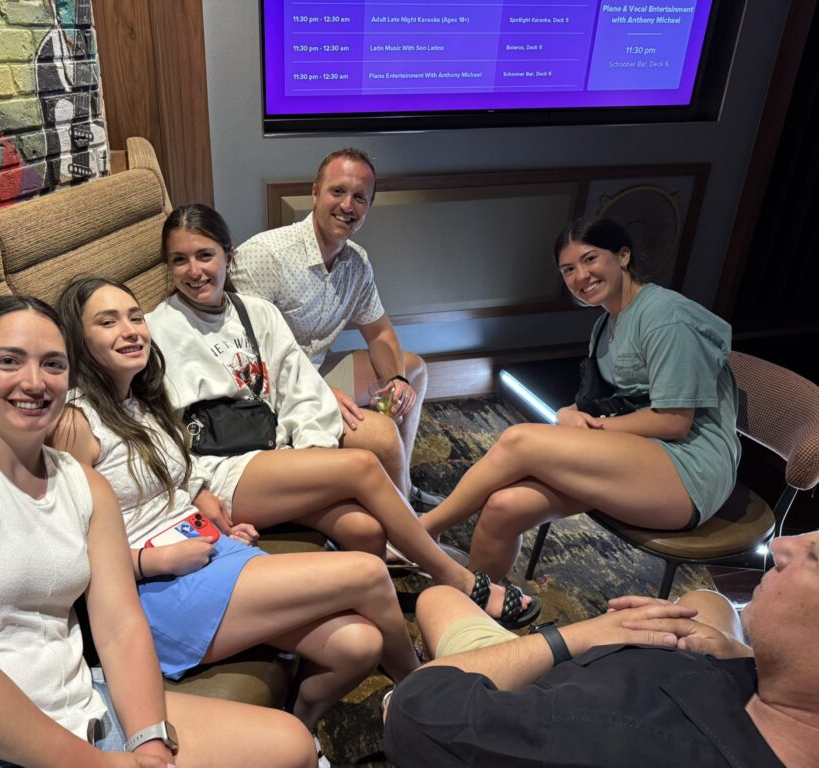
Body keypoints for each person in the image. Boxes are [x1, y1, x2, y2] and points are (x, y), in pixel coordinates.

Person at [0, 295, 314, 768]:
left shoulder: (84, 485)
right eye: (9, 361)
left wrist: (149, 742)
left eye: (52, 364)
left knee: (289, 745)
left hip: (72, 710)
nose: (34, 382)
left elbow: (120, 627)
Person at [52, 276, 423, 738]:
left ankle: (302, 732)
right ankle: (426, 692)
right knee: (368, 574)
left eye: (135, 317)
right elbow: (60, 550)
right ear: (78, 340)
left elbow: (174, 482)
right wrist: (152, 562)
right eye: (107, 322)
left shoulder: (143, 400)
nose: (130, 331)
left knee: (359, 645)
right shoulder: (74, 422)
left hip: (204, 548)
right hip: (156, 590)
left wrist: (208, 515)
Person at [146, 203, 540, 630]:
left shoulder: (255, 313)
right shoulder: (157, 330)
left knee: (367, 530)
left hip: (275, 457)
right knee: (363, 465)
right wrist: (197, 489)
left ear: (228, 255)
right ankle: (456, 580)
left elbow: (303, 389)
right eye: (179, 260)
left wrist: (310, 459)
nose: (194, 271)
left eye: (205, 255)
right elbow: (155, 429)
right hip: (223, 470)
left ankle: (378, 625)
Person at [420, 216, 741, 579]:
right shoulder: (607, 322)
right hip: (638, 452)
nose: (580, 277)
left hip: (688, 470)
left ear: (622, 256)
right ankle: (480, 612)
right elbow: (610, 399)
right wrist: (567, 413)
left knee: (519, 440)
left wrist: (593, 429)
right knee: (503, 506)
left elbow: (673, 421)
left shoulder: (666, 318)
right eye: (568, 269)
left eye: (590, 259)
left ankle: (423, 531)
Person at [384, 533, 819, 767]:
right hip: (652, 670)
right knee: (710, 601)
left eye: (815, 557)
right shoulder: (775, 695)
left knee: (437, 600)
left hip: (539, 688)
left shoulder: (608, 735)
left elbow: (418, 710)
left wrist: (582, 634)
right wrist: (738, 655)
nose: (782, 546)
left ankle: (422, 541)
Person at [230, 148, 441, 510]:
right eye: (338, 191)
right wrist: (317, 392)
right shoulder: (266, 255)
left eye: (360, 197)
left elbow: (380, 334)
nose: (348, 205)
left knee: (413, 371)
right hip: (272, 389)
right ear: (315, 193)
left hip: (314, 371)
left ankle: (399, 483)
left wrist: (397, 381)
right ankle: (406, 526)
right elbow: (244, 356)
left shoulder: (356, 261)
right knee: (384, 435)